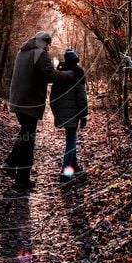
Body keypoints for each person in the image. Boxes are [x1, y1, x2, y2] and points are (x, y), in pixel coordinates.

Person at [4, 31, 74, 190]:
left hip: (18, 101)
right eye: (49, 45)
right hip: (30, 102)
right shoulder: (39, 53)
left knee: (27, 137)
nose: (49, 49)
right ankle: (11, 163)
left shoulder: (23, 52)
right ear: (45, 43)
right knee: (27, 138)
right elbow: (50, 75)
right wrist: (70, 74)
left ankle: (21, 179)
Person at [49, 48, 88, 184]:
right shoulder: (78, 73)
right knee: (71, 142)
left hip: (63, 112)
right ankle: (65, 174)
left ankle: (74, 167)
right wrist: (83, 115)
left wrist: (56, 112)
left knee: (71, 139)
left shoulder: (60, 74)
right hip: (74, 112)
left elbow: (52, 96)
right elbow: (81, 97)